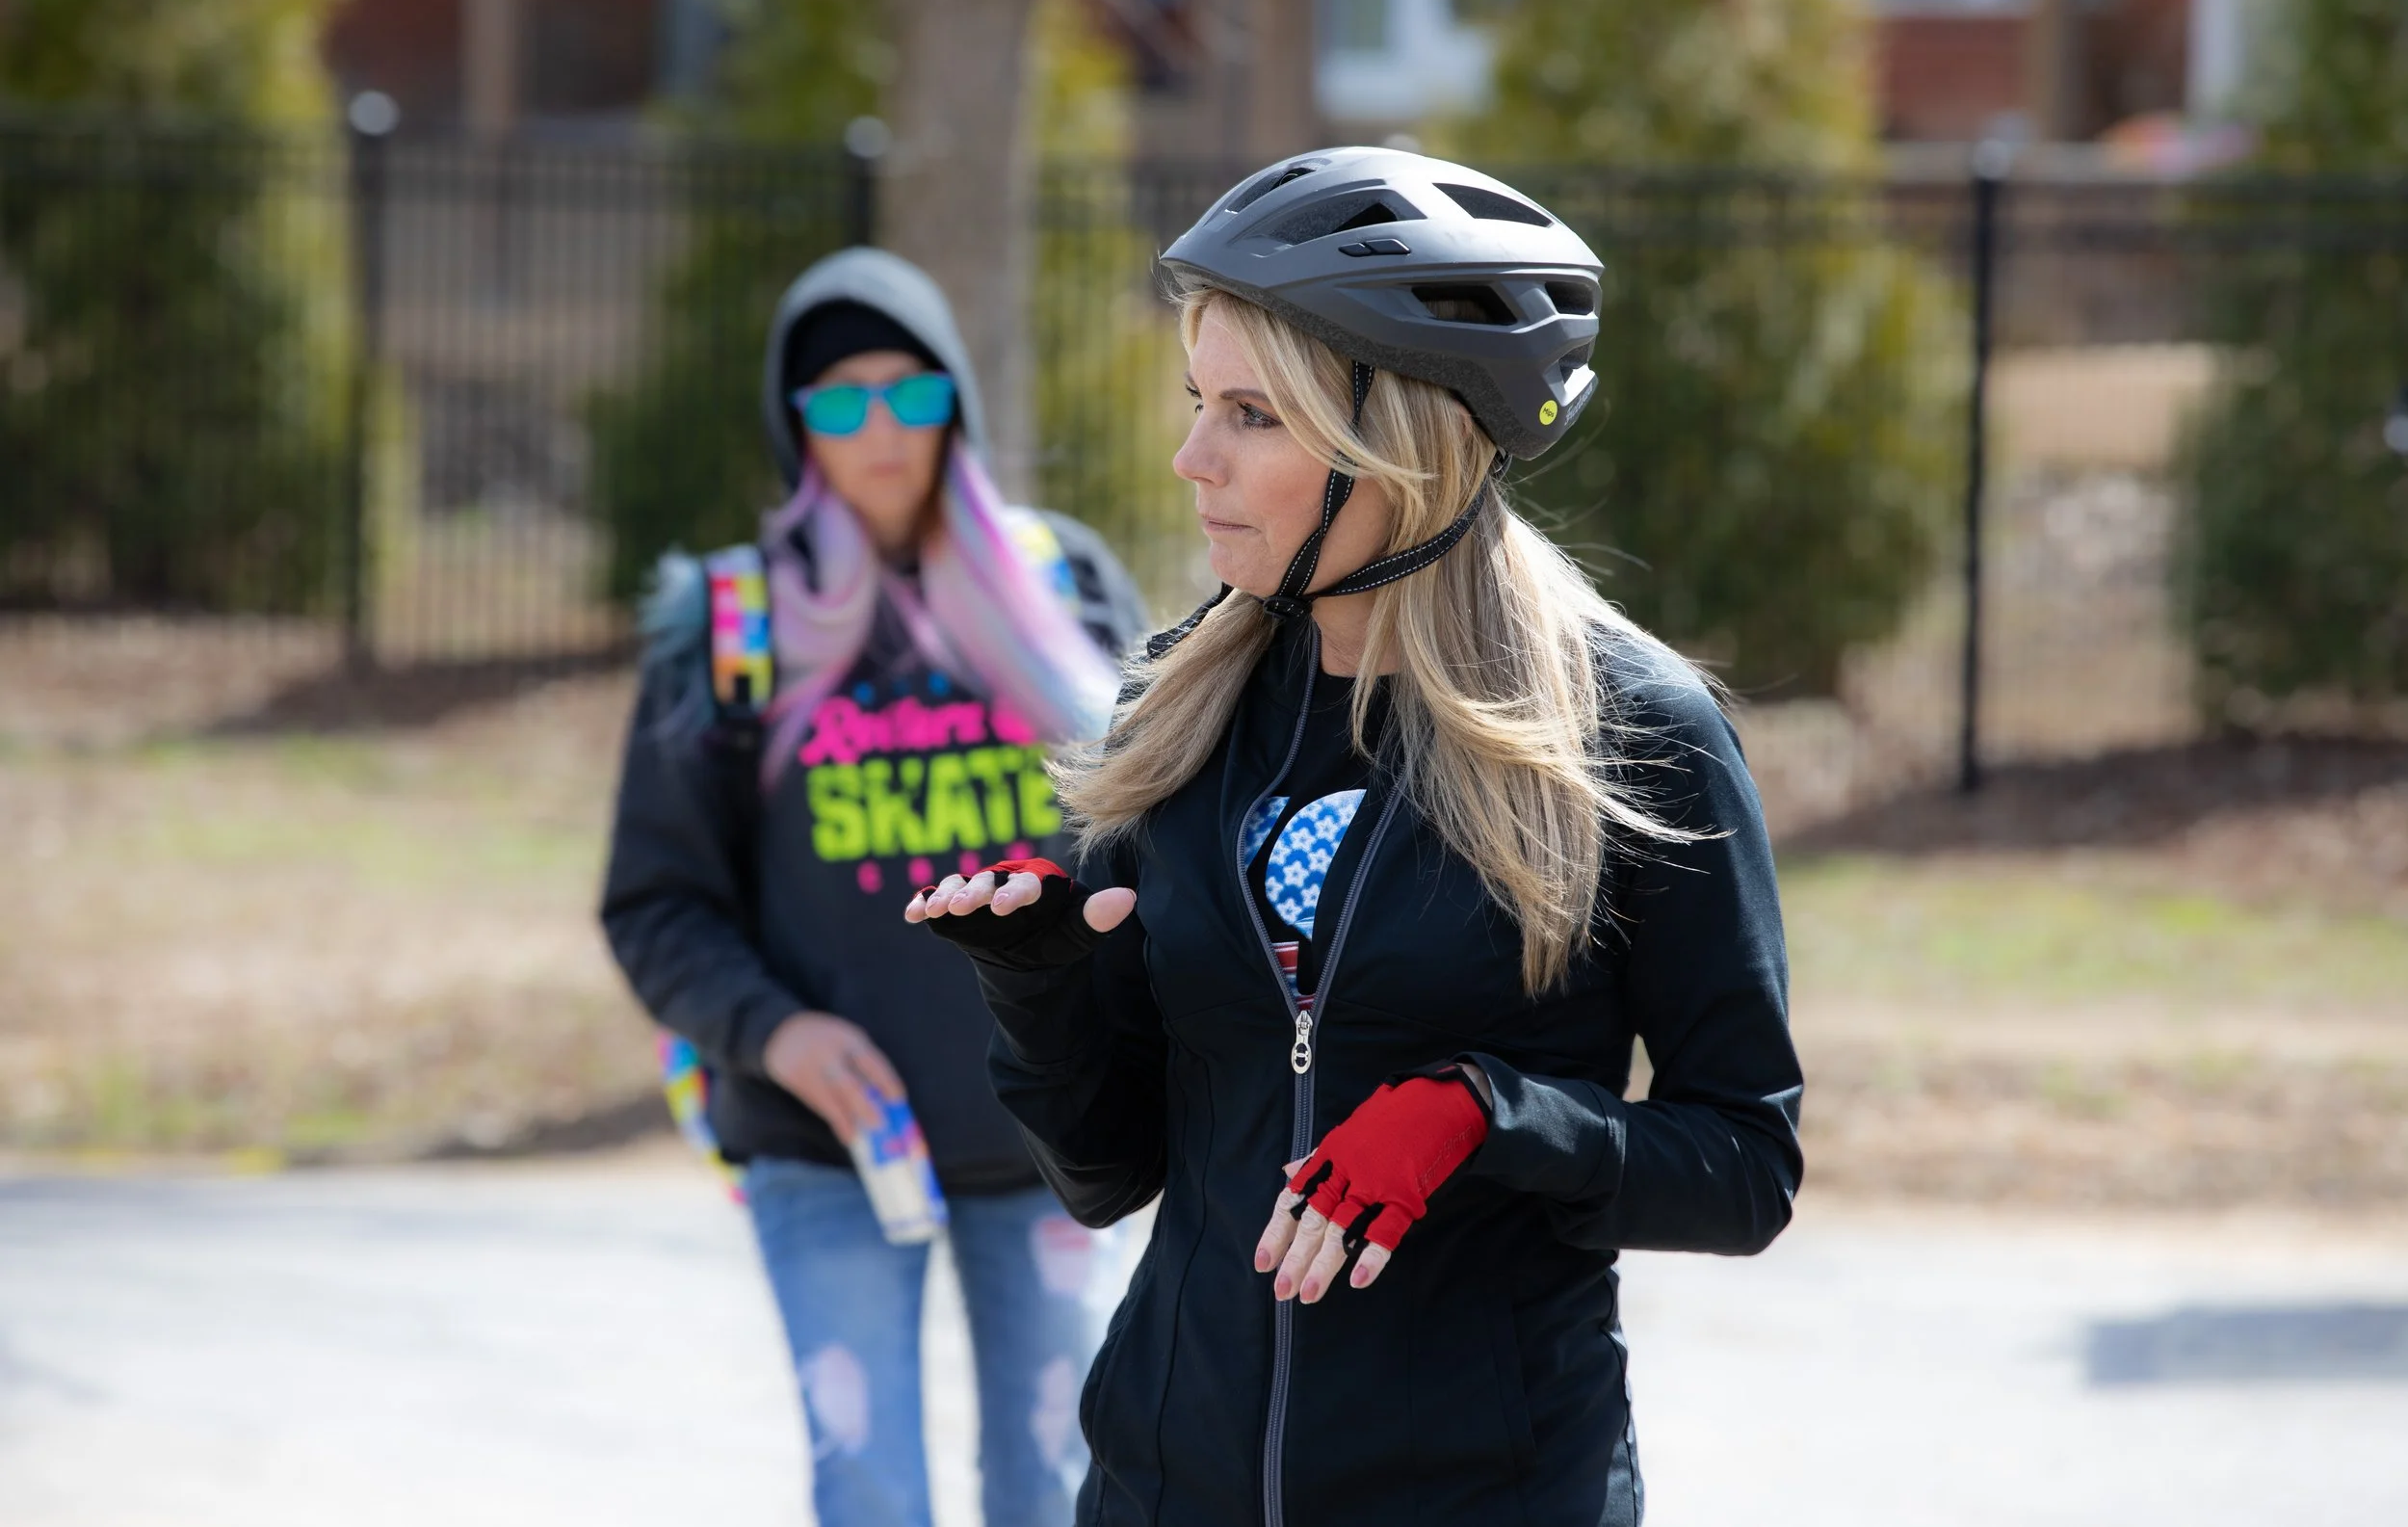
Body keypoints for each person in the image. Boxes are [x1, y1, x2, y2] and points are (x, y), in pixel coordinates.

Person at [904, 150, 1804, 1525]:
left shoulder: (1632, 733)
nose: (1192, 457)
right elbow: (1108, 1175)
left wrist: (1484, 1115)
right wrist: (1040, 985)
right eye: (1199, 403)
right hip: (1163, 1486)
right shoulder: (1177, 706)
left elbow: (1744, 1163)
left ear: (1403, 441)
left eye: (1252, 414)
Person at [601, 247, 1150, 1527]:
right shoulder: (729, 625)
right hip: (827, 1144)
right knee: (869, 1489)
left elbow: (1151, 828)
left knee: (1063, 1486)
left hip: (1050, 1134)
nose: (880, 429)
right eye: (839, 401)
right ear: (798, 426)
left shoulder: (1063, 585)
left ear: (955, 400)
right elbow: (657, 903)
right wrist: (776, 1031)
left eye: (909, 392)